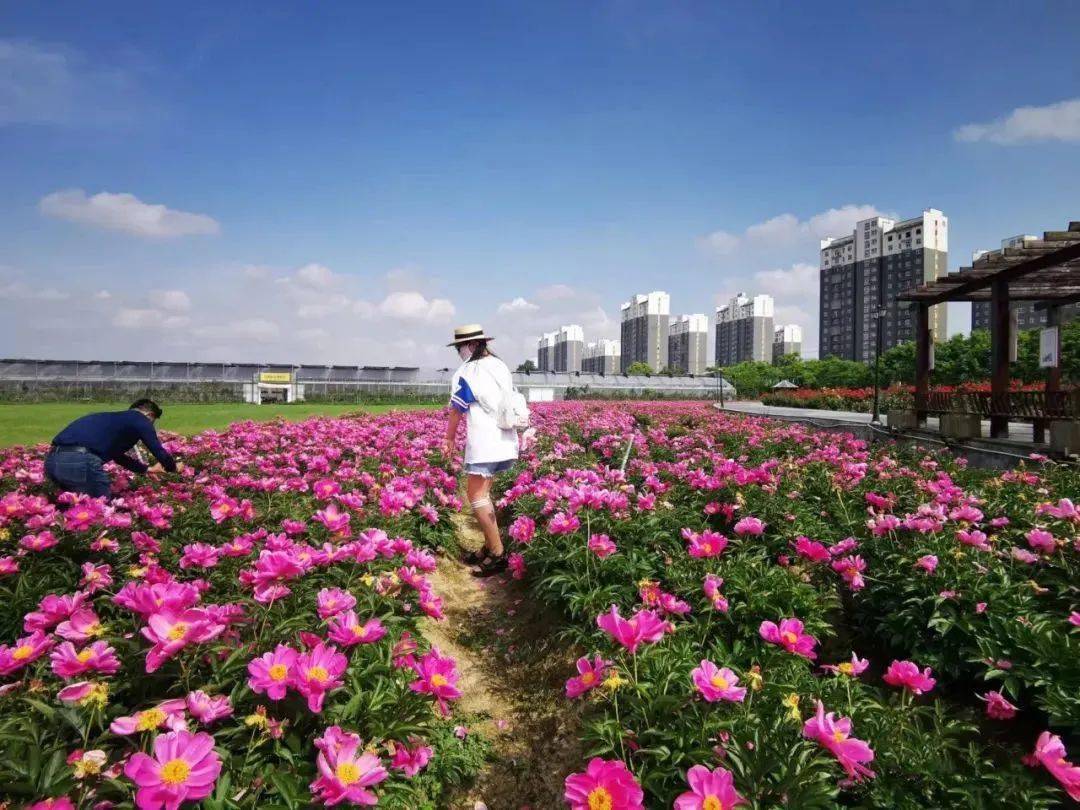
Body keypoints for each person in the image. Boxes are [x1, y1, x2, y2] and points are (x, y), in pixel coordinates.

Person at [444, 324, 519, 576]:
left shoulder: (468, 370)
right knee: (484, 493)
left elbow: (457, 408)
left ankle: (498, 553)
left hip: (485, 442)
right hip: (505, 439)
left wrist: (449, 438)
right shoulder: (499, 365)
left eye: (460, 348)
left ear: (473, 345)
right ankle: (488, 547)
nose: (459, 353)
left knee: (475, 495)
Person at [45, 399, 182, 497]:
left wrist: (147, 469)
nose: (150, 425)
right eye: (152, 422)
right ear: (150, 415)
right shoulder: (139, 419)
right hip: (81, 461)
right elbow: (157, 449)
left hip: (52, 461)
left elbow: (118, 457)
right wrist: (173, 468)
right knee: (100, 509)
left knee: (73, 508)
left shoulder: (111, 420)